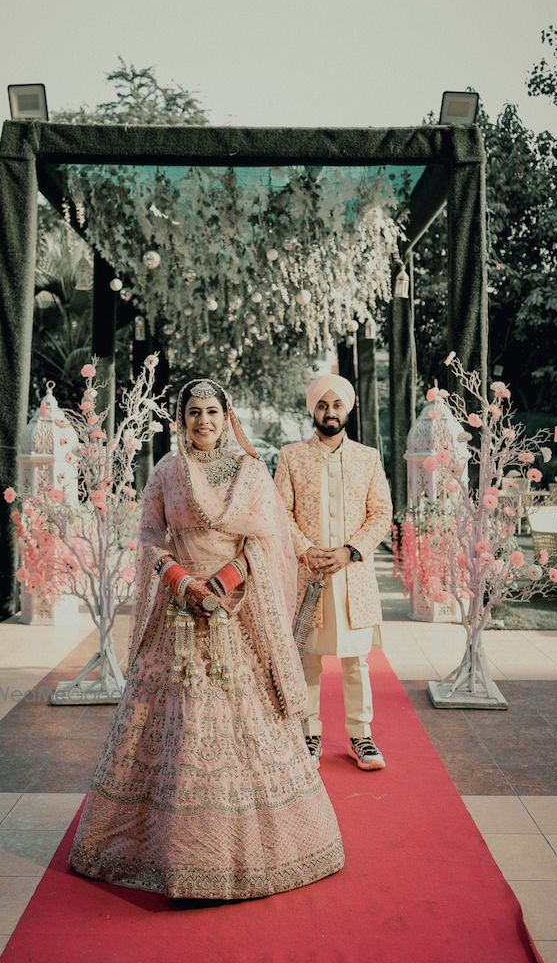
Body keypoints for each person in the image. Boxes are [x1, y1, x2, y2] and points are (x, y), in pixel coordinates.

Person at [69, 378, 344, 899]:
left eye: (212, 412)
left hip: (235, 617)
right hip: (177, 616)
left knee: (240, 724)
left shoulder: (251, 473)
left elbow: (268, 543)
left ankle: (243, 855)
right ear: (182, 419)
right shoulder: (167, 471)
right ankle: (163, 850)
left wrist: (224, 582)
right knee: (169, 724)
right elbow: (150, 538)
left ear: (227, 416)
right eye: (193, 413)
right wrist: (182, 582)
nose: (203, 422)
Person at [274, 375, 392, 770]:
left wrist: (349, 551)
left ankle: (362, 736)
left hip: (352, 575)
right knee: (307, 658)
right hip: (308, 577)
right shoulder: (291, 456)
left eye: (336, 405)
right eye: (322, 406)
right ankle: (309, 734)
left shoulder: (368, 457)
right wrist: (306, 551)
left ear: (348, 409)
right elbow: (280, 513)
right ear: (313, 410)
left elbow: (381, 513)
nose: (330, 413)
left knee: (356, 660)